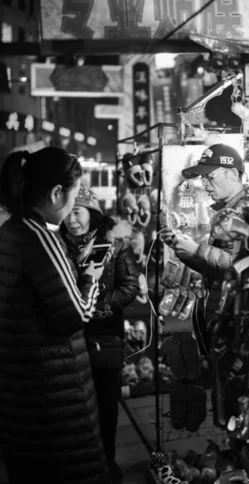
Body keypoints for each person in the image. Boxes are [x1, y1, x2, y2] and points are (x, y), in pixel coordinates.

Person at [0, 148, 111, 484]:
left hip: (23, 392)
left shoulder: (10, 233)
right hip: (55, 397)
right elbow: (76, 314)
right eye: (74, 194)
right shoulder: (41, 237)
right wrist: (91, 277)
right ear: (56, 193)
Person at [160, 143, 249, 424]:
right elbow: (221, 270)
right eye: (203, 179)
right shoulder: (226, 213)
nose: (205, 184)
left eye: (210, 177)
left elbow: (243, 267)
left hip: (242, 327)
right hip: (224, 324)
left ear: (231, 172)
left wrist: (196, 251)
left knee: (241, 408)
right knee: (228, 407)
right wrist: (188, 252)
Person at [60, 183, 147, 483]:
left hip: (105, 338)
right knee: (75, 406)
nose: (72, 219)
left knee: (106, 405)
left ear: (92, 213)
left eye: (79, 211)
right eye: (68, 212)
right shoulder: (58, 244)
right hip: (70, 338)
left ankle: (107, 462)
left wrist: (100, 308)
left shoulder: (115, 244)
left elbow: (129, 286)